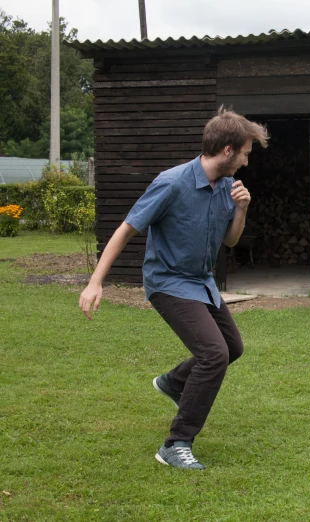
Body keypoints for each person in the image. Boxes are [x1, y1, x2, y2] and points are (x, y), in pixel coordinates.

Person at [78, 107, 269, 470]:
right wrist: (95, 282)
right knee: (213, 355)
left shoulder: (228, 187)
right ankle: (176, 443)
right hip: (168, 283)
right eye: (245, 152)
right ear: (227, 150)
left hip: (201, 282)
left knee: (231, 348)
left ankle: (172, 382)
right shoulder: (172, 182)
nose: (246, 161)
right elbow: (126, 229)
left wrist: (241, 210)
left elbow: (230, 242)